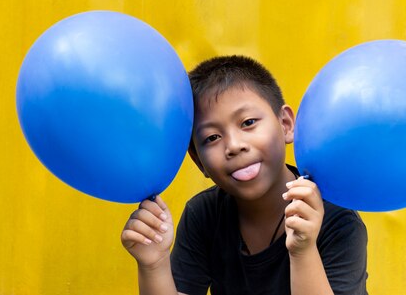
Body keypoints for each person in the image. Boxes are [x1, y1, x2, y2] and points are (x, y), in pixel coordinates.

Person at [121, 55, 368, 294]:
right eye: (212, 138)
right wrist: (154, 265)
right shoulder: (204, 214)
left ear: (285, 125)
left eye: (248, 122)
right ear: (199, 162)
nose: (234, 145)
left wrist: (303, 251)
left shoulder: (336, 220)